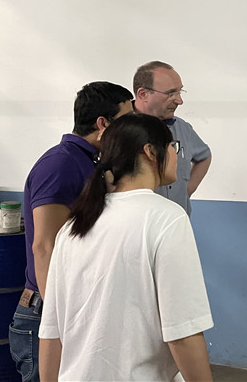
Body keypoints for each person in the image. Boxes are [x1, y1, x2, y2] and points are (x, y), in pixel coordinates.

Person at [39, 113, 214, 381]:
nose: (177, 156)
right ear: (150, 152)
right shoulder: (167, 218)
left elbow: (52, 333)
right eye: (172, 146)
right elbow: (183, 333)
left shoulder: (74, 226)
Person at [9, 81, 133, 382]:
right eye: (126, 120)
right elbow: (44, 246)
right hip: (47, 313)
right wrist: (58, 320)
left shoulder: (90, 162)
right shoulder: (61, 164)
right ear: (103, 124)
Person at [133, 61, 211, 215]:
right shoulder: (117, 131)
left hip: (176, 222)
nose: (179, 101)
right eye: (170, 94)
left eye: (180, 92)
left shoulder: (182, 128)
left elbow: (204, 156)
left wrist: (185, 193)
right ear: (143, 94)